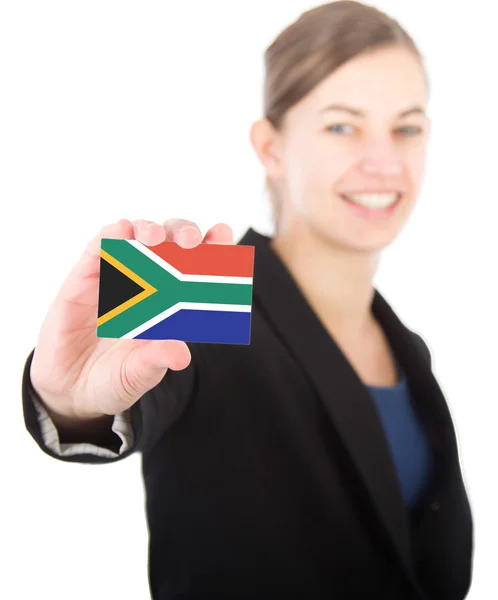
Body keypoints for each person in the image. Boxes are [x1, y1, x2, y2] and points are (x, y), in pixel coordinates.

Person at [21, 2, 474, 598]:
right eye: (342, 125)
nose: (384, 161)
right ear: (271, 148)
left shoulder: (408, 349)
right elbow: (111, 394)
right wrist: (67, 400)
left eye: (406, 127)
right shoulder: (205, 298)